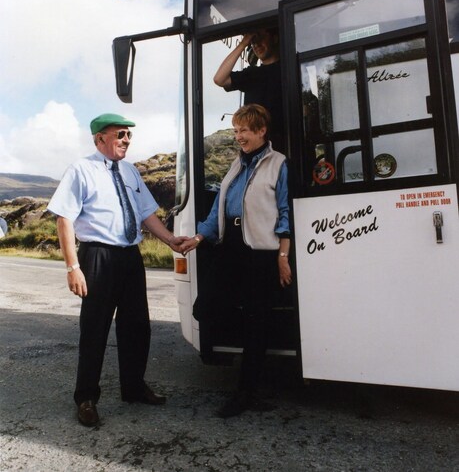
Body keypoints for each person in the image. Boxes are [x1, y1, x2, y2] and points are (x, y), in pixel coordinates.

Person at [48, 113, 187, 427]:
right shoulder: (81, 169)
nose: (126, 140)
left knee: (137, 324)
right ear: (100, 139)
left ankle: (134, 387)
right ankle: (86, 398)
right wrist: (73, 267)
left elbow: (146, 213)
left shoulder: (130, 171)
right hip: (97, 255)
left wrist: (171, 241)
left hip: (129, 256)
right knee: (95, 328)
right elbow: (64, 219)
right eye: (120, 134)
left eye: (129, 136)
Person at [180, 104, 292, 418]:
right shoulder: (236, 164)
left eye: (244, 130)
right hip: (231, 247)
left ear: (261, 131)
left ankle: (246, 392)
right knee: (204, 308)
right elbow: (219, 205)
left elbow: (285, 213)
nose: (238, 136)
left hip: (261, 253)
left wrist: (283, 256)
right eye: (236, 130)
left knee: (257, 322)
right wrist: (199, 238)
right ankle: (252, 344)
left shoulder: (278, 164)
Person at [213, 28, 285, 153]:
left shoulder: (289, 68)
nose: (256, 44)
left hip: (287, 144)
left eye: (261, 38)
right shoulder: (252, 74)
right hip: (257, 149)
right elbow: (220, 79)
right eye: (253, 41)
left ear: (275, 38)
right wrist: (243, 44)